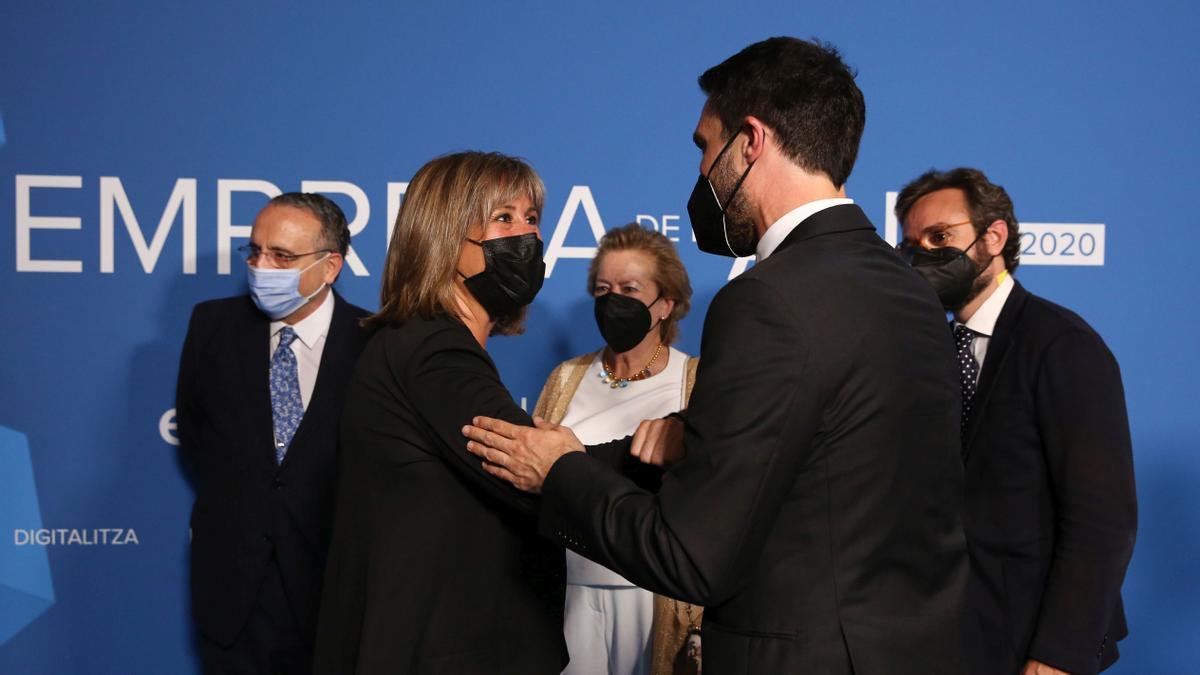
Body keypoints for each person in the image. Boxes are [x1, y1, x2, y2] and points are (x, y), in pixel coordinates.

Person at [462, 37, 971, 674]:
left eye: (705, 146)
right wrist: (699, 445)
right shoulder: (910, 288)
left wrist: (560, 470)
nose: (702, 172)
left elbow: (691, 557)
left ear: (750, 141)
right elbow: (832, 465)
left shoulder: (766, 299)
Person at [312, 151, 662, 674]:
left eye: (532, 219)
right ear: (445, 238)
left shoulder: (424, 345)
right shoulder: (435, 351)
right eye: (503, 218)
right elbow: (534, 469)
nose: (526, 236)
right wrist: (663, 452)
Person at [895, 167, 1137, 675]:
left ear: (994, 236)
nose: (922, 254)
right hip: (939, 636)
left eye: (941, 237)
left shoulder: (1063, 345)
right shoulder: (923, 351)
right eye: (912, 243)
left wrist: (1058, 654)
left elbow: (1103, 519)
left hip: (1032, 640)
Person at [176, 192, 372, 674]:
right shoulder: (211, 326)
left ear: (331, 267)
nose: (262, 266)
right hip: (233, 595)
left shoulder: (376, 340)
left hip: (335, 592)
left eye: (282, 256)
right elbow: (199, 434)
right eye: (255, 251)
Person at [533, 223, 700, 675]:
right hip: (573, 592)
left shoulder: (696, 382)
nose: (613, 302)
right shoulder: (566, 378)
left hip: (652, 597)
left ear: (665, 303)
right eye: (603, 289)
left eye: (630, 288)